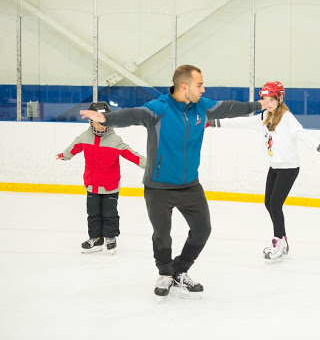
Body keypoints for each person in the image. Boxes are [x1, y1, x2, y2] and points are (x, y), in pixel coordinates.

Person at [79, 65, 270, 299]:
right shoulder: (159, 109)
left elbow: (228, 108)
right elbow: (134, 114)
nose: (203, 89)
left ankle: (180, 270)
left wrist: (259, 105)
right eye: (199, 85)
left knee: (202, 230)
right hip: (158, 187)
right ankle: (165, 273)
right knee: (162, 234)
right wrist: (106, 118)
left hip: (190, 185)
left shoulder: (202, 107)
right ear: (184, 86)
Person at [209, 81, 320, 263]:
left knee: (275, 204)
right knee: (268, 203)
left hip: (289, 168)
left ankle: (277, 242)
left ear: (279, 99)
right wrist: (215, 123)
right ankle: (284, 240)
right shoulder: (264, 116)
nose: (268, 102)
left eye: (271, 99)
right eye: (265, 99)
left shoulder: (287, 118)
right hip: (275, 167)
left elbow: (303, 135)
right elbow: (242, 122)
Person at [56, 101, 146, 255]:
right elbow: (74, 147)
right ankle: (96, 238)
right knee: (93, 213)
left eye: (103, 122)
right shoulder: (84, 137)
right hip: (92, 183)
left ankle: (110, 237)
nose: (100, 126)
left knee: (109, 213)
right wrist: (64, 155)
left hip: (110, 185)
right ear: (90, 122)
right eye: (96, 123)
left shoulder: (115, 140)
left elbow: (133, 155)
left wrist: (150, 164)